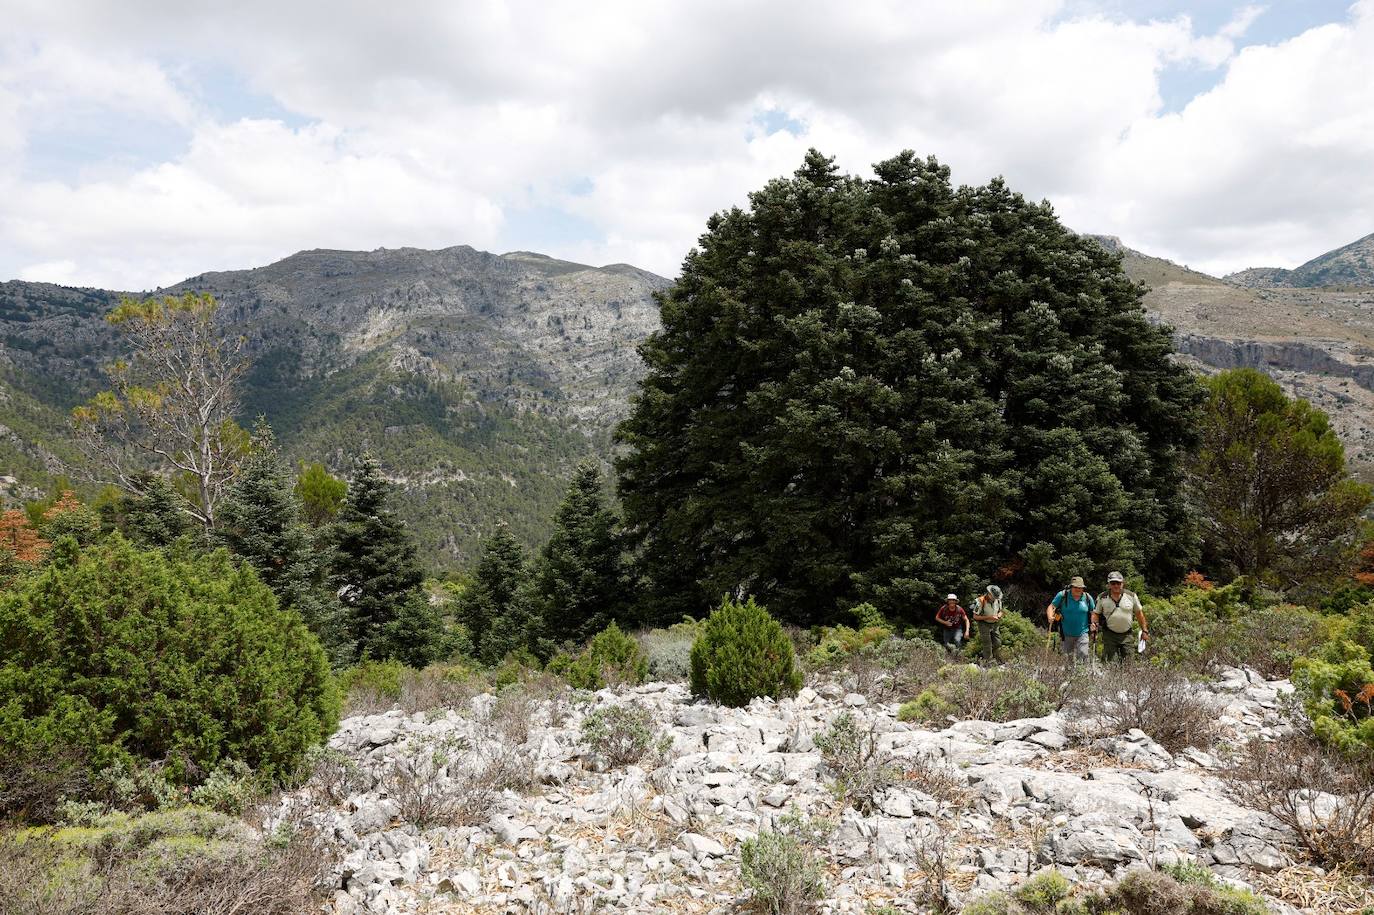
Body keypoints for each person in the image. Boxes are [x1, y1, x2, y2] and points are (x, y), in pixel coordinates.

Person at [1094, 571, 1149, 662]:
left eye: (1118, 583)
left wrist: (1144, 630)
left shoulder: (1131, 596)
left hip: (1127, 635)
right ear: (1109, 584)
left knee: (1129, 662)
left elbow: (1139, 614)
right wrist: (1094, 625)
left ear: (1122, 584)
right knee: (1109, 662)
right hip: (1109, 635)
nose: (1116, 586)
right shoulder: (1102, 597)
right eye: (1113, 583)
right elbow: (1095, 613)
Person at [1046, 576, 1095, 663]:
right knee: (1067, 659)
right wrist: (1050, 616)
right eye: (1075, 587)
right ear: (1071, 587)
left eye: (1080, 587)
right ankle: (1068, 675)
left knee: (1083, 654)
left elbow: (1093, 612)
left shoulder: (1087, 598)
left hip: (1083, 632)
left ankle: (1082, 675)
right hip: (1066, 633)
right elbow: (1051, 606)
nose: (1078, 589)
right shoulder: (1062, 595)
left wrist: (1093, 623)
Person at [970, 584, 1004, 662]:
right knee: (987, 644)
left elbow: (1001, 611)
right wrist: (989, 617)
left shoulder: (998, 600)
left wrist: (998, 616)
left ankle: (993, 657)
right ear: (989, 594)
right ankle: (987, 662)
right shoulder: (981, 601)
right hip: (983, 624)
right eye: (994, 596)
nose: (995, 598)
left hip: (995, 624)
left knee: (998, 643)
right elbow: (975, 617)